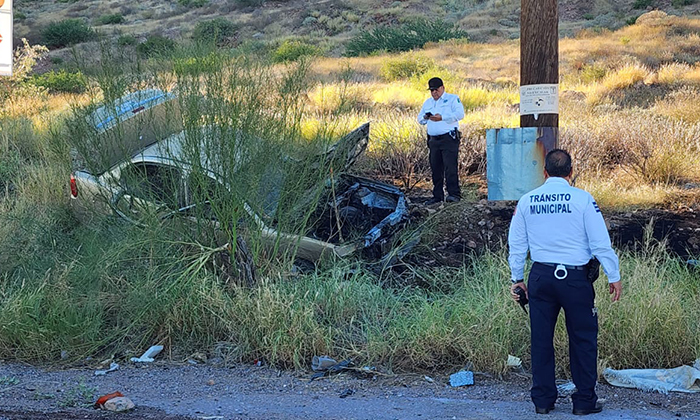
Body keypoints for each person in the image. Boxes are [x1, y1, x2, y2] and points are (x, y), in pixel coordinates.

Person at [507, 149, 622, 416]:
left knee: (541, 340)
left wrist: (517, 279)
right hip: (575, 279)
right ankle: (584, 402)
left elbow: (517, 245)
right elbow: (600, 243)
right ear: (571, 172)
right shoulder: (583, 199)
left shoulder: (526, 201)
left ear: (544, 172)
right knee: (583, 339)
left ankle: (543, 401)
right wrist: (613, 275)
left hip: (540, 277)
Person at [417, 77, 465, 205]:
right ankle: (437, 195)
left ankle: (453, 194)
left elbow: (460, 114)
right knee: (436, 168)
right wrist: (426, 117)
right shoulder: (428, 103)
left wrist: (442, 117)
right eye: (432, 90)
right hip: (433, 140)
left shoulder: (452, 99)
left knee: (450, 167)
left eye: (436, 89)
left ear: (442, 88)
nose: (434, 92)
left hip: (448, 138)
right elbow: (420, 120)